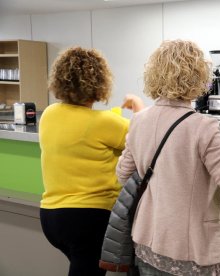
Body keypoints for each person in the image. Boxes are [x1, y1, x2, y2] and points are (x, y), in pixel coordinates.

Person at [116, 40, 220, 276]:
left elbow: (122, 174)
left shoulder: (139, 121)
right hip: (190, 253)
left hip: (147, 246)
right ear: (198, 77)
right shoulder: (203, 126)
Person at [39, 46, 144, 276]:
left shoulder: (48, 114)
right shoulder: (103, 122)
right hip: (87, 218)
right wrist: (137, 105)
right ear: (99, 83)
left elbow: (83, 139)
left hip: (51, 218)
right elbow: (145, 137)